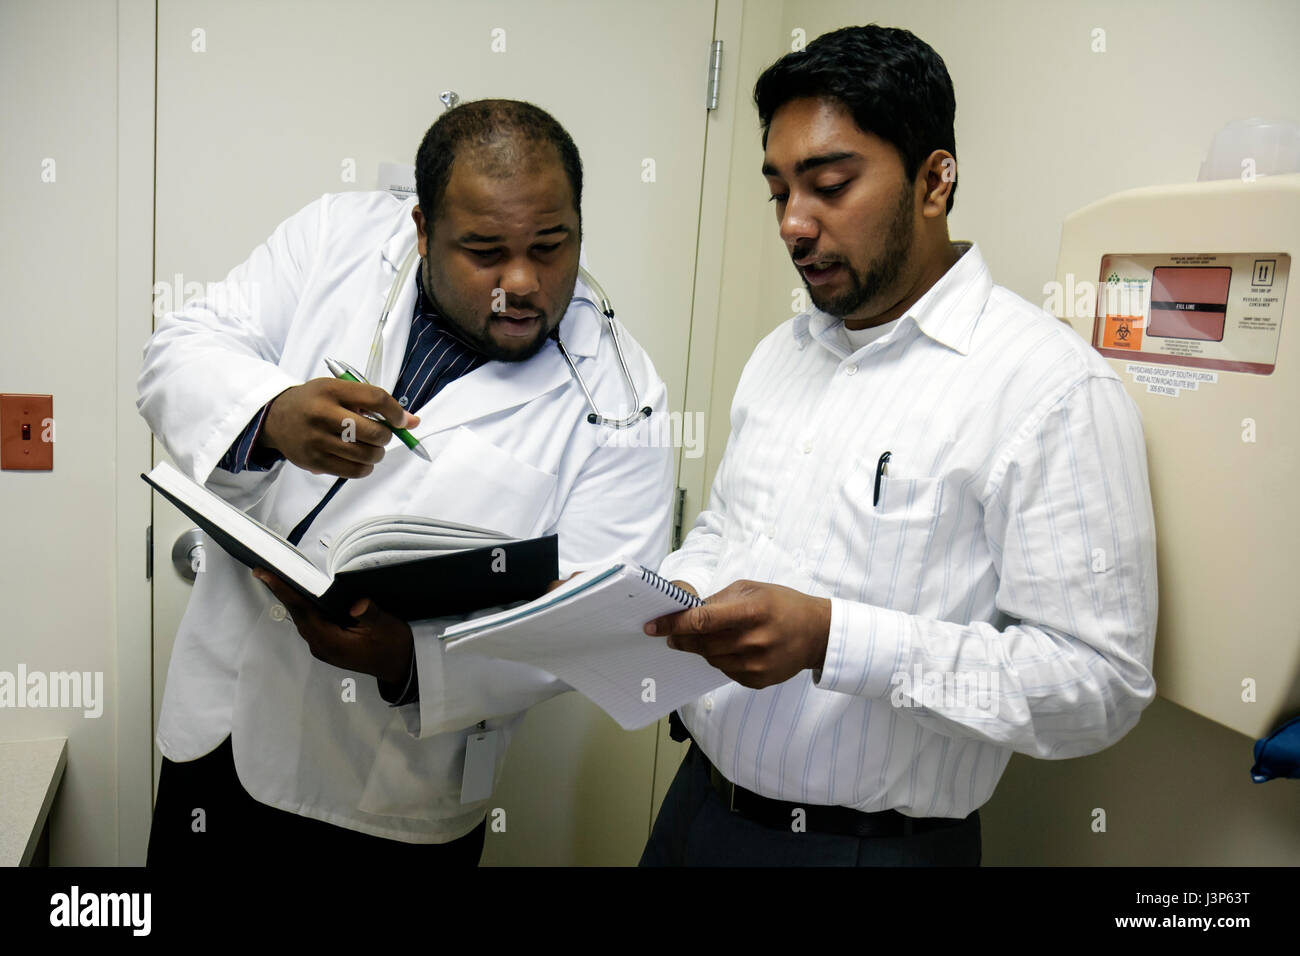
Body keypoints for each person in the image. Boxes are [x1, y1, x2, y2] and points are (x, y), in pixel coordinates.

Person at [639, 25, 1157, 866]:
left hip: (870, 851)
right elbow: (727, 531)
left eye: (830, 185)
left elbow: (1098, 686)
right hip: (697, 810)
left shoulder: (1049, 388)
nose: (793, 226)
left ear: (934, 179)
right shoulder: (782, 354)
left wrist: (833, 640)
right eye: (778, 193)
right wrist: (670, 600)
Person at [138, 99, 672, 866]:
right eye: (484, 250)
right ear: (423, 230)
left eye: (552, 246)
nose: (521, 282)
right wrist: (274, 415)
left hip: (382, 793)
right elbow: (178, 350)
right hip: (213, 735)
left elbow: (599, 626)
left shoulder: (625, 400)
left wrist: (412, 660)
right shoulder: (337, 237)